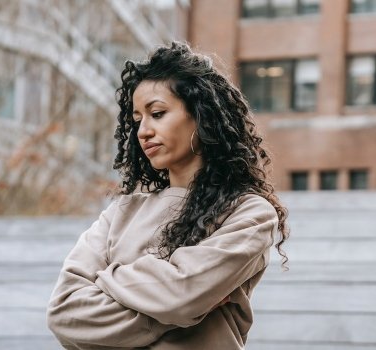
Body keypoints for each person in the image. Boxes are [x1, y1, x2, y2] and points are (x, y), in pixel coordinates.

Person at [47, 42, 289, 349]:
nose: (143, 131)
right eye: (137, 121)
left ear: (202, 117)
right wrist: (172, 308)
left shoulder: (249, 214)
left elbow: (183, 293)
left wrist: (106, 279)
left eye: (157, 113)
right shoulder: (120, 212)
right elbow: (65, 313)